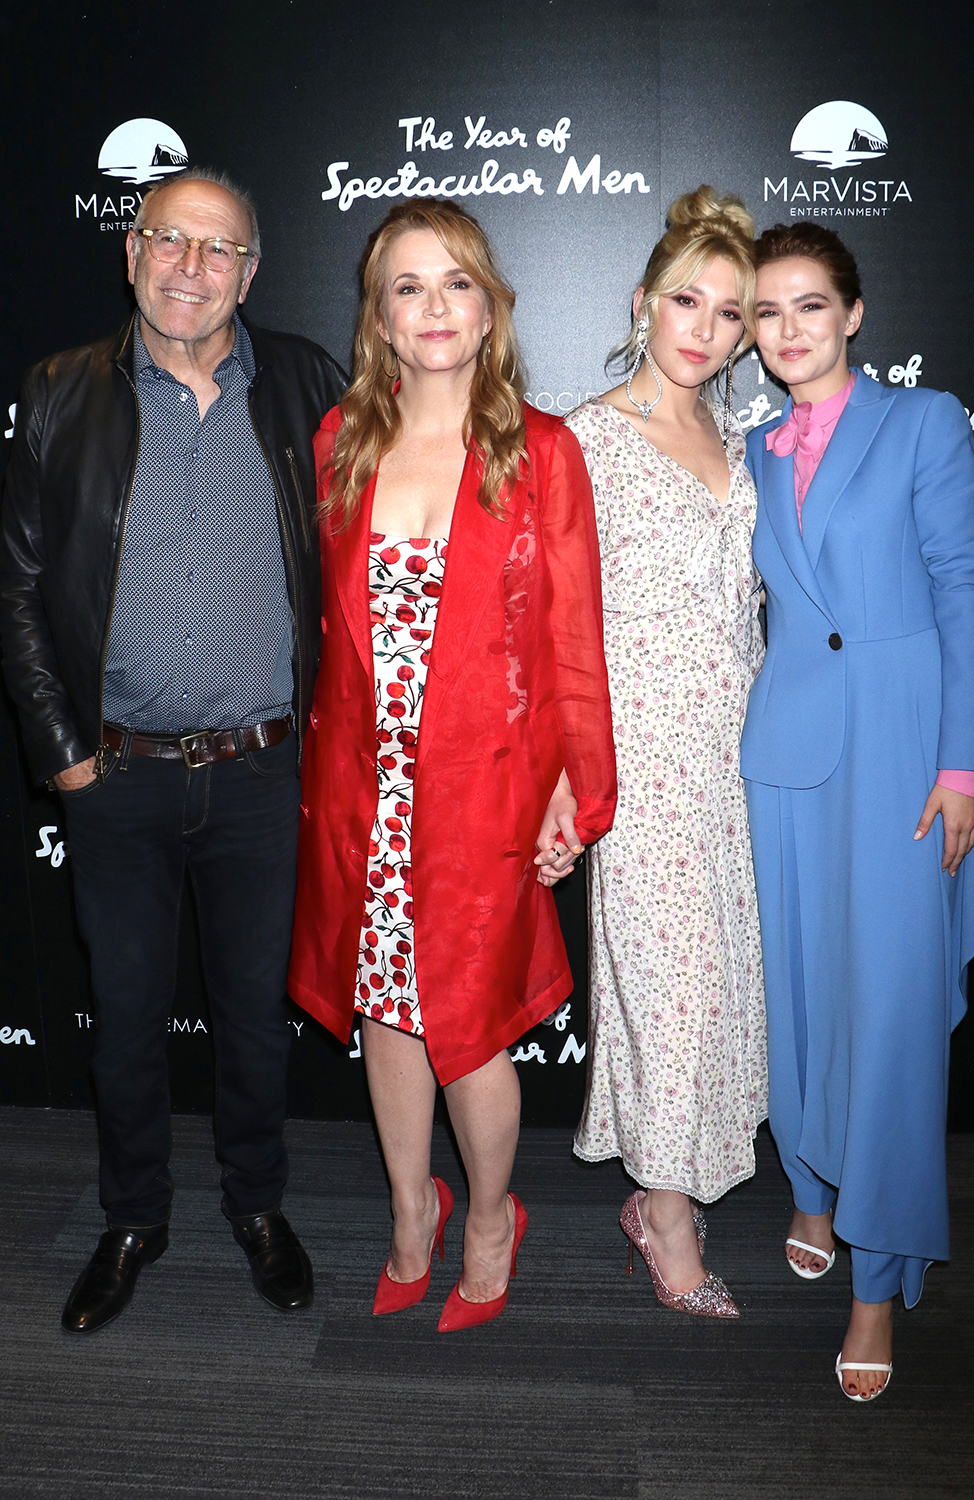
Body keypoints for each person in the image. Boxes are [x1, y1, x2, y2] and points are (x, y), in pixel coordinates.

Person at [0, 168, 347, 1333]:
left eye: (219, 250)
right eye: (169, 242)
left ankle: (257, 1206)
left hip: (262, 779)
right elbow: (18, 589)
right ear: (130, 252)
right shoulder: (56, 392)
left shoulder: (305, 382)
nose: (189, 268)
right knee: (129, 1022)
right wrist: (65, 759)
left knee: (255, 1021)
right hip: (118, 780)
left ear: (250, 272)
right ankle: (132, 1218)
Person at [288, 200, 616, 1331]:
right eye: (408, 287)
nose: (435, 307)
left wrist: (576, 784)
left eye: (456, 283)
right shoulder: (343, 442)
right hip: (365, 796)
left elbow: (573, 640)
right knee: (387, 1013)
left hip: (486, 791)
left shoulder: (542, 451)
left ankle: (488, 1213)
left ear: (490, 308)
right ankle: (406, 1210)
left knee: (467, 1022)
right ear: (379, 317)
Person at [742, 222, 974, 1399]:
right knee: (798, 998)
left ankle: (878, 1280)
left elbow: (963, 595)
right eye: (763, 313)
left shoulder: (922, 424)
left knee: (890, 1021)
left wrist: (964, 770)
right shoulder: (748, 450)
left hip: (903, 755)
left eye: (807, 306)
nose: (785, 330)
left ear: (852, 313)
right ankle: (811, 1183)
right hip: (785, 757)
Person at [564, 187, 766, 1319]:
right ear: (643, 303)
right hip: (638, 756)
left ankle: (673, 1188)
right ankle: (668, 1216)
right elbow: (546, 628)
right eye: (685, 298)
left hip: (742, 748)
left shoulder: (737, 440)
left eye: (729, 311)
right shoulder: (587, 440)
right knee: (669, 989)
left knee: (727, 981)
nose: (705, 325)